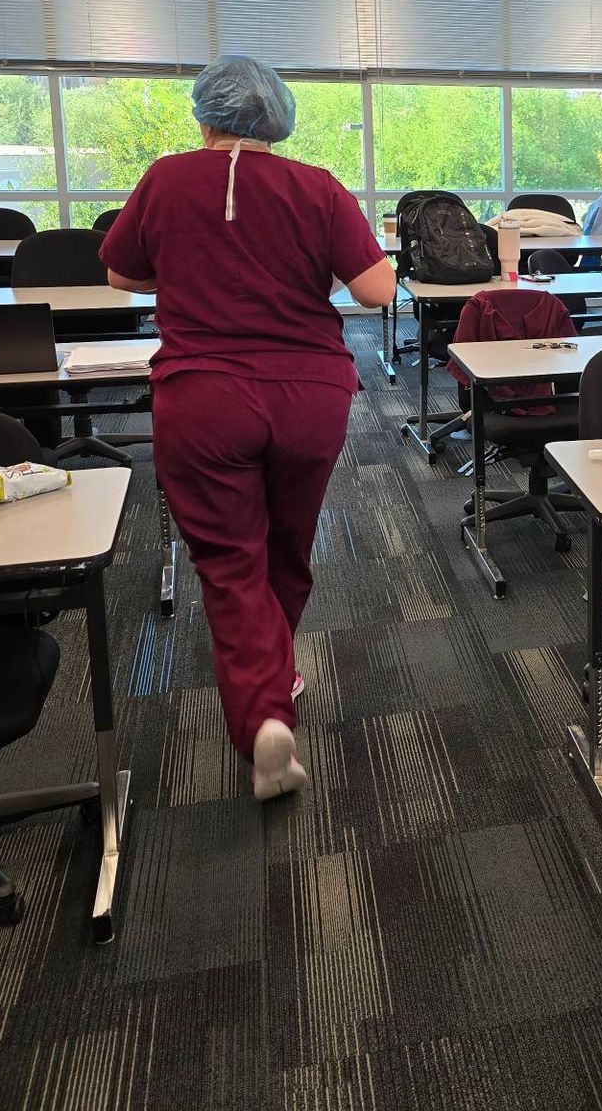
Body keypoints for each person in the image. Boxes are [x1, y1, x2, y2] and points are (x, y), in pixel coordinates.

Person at [100, 55, 396, 800]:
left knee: (232, 564)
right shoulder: (319, 186)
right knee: (288, 547)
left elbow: (121, 276)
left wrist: (190, 264)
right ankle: (277, 672)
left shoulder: (166, 179)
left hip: (204, 399)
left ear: (205, 116)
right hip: (309, 393)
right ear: (278, 120)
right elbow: (376, 291)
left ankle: (264, 714)